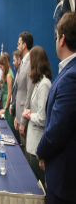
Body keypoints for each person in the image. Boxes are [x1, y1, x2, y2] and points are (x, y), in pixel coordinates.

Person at [37, 12, 76, 203]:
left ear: (62, 39)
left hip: (64, 182)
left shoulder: (71, 76)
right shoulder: (68, 71)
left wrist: (41, 150)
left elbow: (57, 130)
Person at [21, 46, 52, 187]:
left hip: (37, 145)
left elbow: (43, 117)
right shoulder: (39, 83)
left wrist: (28, 115)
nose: (29, 64)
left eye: (30, 61)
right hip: (32, 144)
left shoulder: (45, 84)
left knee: (39, 186)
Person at [15, 31, 34, 161]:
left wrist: (23, 120)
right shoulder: (23, 63)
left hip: (25, 116)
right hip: (19, 114)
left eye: (19, 43)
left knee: (27, 157)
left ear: (24, 45)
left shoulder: (30, 63)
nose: (17, 46)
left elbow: (29, 93)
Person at [0, 55, 15, 132]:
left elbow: (9, 93)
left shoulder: (8, 75)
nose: (1, 68)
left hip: (7, 104)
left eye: (1, 66)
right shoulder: (7, 73)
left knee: (9, 127)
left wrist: (5, 108)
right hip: (5, 101)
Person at [10, 50, 21, 143]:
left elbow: (18, 95)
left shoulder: (21, 74)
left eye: (14, 60)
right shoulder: (17, 73)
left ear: (19, 60)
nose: (12, 63)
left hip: (19, 115)